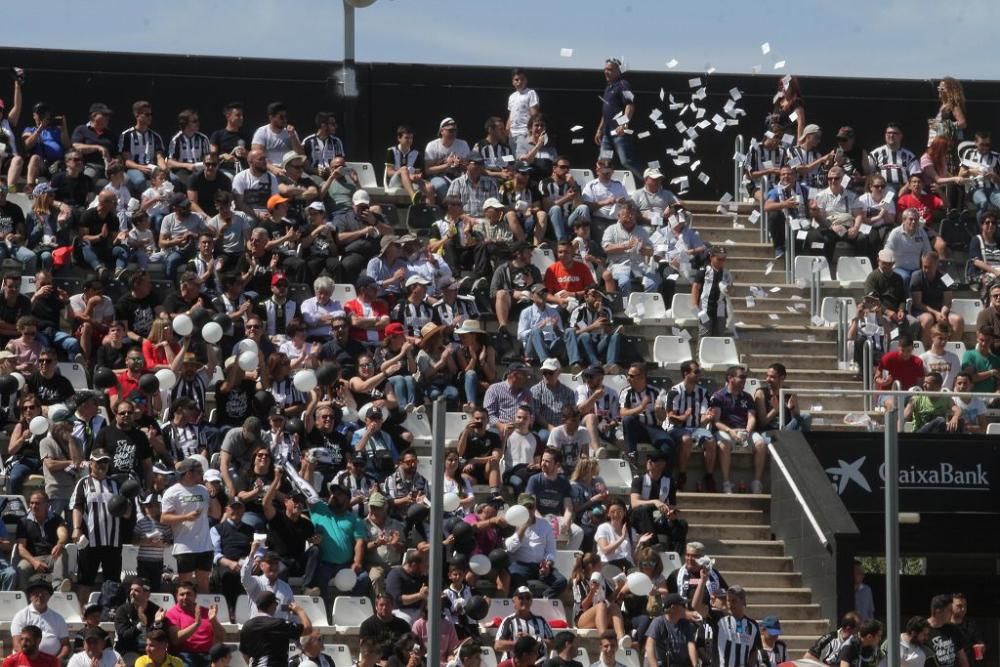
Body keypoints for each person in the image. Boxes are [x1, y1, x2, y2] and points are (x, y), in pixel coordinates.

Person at [663, 360, 719, 490]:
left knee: (710, 440)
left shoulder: (703, 392)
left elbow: (702, 419)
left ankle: (709, 476)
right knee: (686, 439)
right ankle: (682, 475)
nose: (699, 374)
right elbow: (671, 417)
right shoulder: (675, 391)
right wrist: (683, 417)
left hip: (695, 428)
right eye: (696, 372)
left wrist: (708, 418)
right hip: (676, 428)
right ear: (686, 373)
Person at [160, 458, 213, 593]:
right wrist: (186, 517)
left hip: (205, 545)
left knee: (204, 584)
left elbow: (217, 513)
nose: (202, 475)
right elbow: (164, 518)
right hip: (185, 546)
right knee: (185, 586)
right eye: (199, 472)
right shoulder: (172, 492)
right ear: (189, 473)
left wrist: (214, 495)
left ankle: (205, 613)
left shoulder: (203, 490)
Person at [711, 366, 766, 494]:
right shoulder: (718, 396)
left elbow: (752, 417)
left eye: (745, 377)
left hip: (744, 431)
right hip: (726, 431)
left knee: (761, 444)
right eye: (741, 377)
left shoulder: (747, 397)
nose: (744, 380)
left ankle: (756, 482)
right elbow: (716, 421)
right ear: (730, 378)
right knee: (724, 445)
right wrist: (730, 431)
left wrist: (747, 431)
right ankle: (726, 483)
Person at [306, 484, 369, 596]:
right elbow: (307, 490)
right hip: (323, 563)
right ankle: (323, 610)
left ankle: (353, 610)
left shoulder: (355, 519)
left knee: (363, 578)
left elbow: (360, 542)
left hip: (346, 564)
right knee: (319, 580)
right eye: (332, 493)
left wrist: (357, 562)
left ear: (348, 500)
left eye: (339, 494)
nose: (333, 496)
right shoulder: (320, 509)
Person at [504, 493, 566, 598]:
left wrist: (548, 564)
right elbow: (510, 548)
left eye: (531, 507)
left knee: (561, 581)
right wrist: (523, 527)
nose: (529, 511)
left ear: (535, 508)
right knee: (516, 581)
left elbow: (550, 550)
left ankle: (544, 599)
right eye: (525, 508)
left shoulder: (545, 524)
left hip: (540, 565)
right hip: (520, 565)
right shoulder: (512, 524)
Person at [629, 451, 687, 553]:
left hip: (659, 517)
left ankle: (675, 554)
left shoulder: (669, 482)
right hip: (639, 519)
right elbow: (634, 503)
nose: (649, 463)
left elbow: (672, 505)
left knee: (682, 524)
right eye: (649, 460)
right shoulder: (639, 480)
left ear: (663, 464)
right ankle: (654, 545)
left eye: (654, 461)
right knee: (644, 509)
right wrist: (655, 502)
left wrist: (671, 513)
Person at [594, 59, 641, 181]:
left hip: (619, 133)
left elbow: (630, 105)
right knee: (604, 160)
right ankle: (604, 186)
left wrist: (624, 124)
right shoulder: (608, 88)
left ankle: (650, 182)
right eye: (605, 69)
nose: (606, 72)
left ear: (618, 72)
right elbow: (606, 112)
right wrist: (599, 129)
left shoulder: (623, 85)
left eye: (610, 69)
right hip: (607, 134)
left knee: (626, 161)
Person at [238, 591, 312, 667]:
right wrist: (300, 611)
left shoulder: (247, 626)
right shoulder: (278, 624)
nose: (276, 605)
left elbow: (245, 654)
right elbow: (308, 629)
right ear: (272, 605)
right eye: (276, 603)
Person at [602, 200, 659, 298]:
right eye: (626, 215)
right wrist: (626, 245)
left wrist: (643, 249)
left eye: (632, 215)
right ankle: (626, 307)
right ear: (619, 216)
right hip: (619, 266)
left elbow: (651, 251)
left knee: (652, 283)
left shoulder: (642, 231)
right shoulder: (611, 229)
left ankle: (645, 307)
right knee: (624, 282)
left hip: (639, 266)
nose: (629, 217)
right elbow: (606, 248)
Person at [15, 491, 69, 590]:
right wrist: (34, 562)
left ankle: (58, 587)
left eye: (37, 503)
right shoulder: (23, 522)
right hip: (32, 558)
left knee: (63, 553)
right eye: (31, 503)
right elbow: (21, 547)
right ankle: (24, 596)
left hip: (52, 557)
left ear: (47, 505)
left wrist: (60, 543)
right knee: (21, 567)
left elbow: (62, 532)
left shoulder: (56, 518)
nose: (33, 506)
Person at [163, 581, 225, 667]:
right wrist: (196, 624)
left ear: (195, 596)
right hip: (184, 655)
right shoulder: (171, 614)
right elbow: (175, 639)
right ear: (176, 596)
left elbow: (222, 637)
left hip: (208, 654)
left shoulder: (207, 612)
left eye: (189, 594)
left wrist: (213, 620)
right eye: (182, 594)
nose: (185, 597)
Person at [910, 251, 963, 345]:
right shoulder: (916, 277)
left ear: (936, 265)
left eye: (929, 267)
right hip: (921, 311)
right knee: (928, 319)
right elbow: (917, 303)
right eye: (924, 266)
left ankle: (951, 349)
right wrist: (935, 313)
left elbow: (947, 302)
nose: (926, 270)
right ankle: (924, 350)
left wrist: (942, 313)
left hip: (940, 310)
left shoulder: (946, 278)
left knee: (958, 320)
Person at [10, 578, 69, 661]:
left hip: (52, 662)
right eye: (36, 593)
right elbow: (17, 644)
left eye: (44, 593)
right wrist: (33, 662)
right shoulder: (20, 616)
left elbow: (65, 645)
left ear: (49, 596)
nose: (40, 595)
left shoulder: (58, 618)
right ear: (30, 596)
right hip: (27, 662)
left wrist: (56, 661)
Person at [494, 586, 554, 663]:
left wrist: (533, 639)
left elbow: (553, 644)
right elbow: (498, 645)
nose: (525, 600)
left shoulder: (541, 620)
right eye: (521, 597)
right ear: (513, 600)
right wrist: (521, 645)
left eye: (528, 598)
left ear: (531, 601)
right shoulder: (509, 621)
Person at [114, 577, 164, 663]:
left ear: (147, 594)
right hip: (128, 650)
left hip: (151, 650)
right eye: (131, 590)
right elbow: (124, 636)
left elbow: (162, 637)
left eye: (137, 590)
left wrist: (157, 623)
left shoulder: (156, 611)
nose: (132, 593)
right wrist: (141, 625)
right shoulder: (122, 610)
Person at [645, 593, 697, 667]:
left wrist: (695, 664)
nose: (686, 609)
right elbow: (649, 646)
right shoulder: (658, 623)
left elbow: (691, 645)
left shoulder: (686, 624)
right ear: (673, 608)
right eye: (683, 606)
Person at [755, 362, 811, 431]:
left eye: (772, 377)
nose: (768, 379)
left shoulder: (789, 393)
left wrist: (792, 408)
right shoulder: (761, 393)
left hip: (786, 430)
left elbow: (797, 419)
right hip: (768, 432)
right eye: (767, 376)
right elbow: (762, 423)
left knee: (806, 416)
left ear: (782, 378)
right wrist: (775, 410)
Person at [692, 246, 733, 338]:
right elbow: (695, 287)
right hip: (705, 309)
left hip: (720, 310)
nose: (721, 261)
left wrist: (728, 289)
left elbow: (732, 290)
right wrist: (695, 306)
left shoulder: (727, 273)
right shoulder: (704, 270)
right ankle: (701, 353)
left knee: (719, 337)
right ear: (711, 257)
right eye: (719, 259)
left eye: (724, 259)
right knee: (704, 337)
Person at [926, 594, 971, 667]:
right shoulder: (922, 629)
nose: (952, 613)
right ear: (938, 611)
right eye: (949, 610)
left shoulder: (953, 629)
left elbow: (962, 659)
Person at [951, 593, 985, 664]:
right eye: (959, 606)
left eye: (965, 606)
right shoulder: (945, 625)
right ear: (951, 606)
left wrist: (982, 648)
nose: (963, 609)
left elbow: (979, 642)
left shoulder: (971, 624)